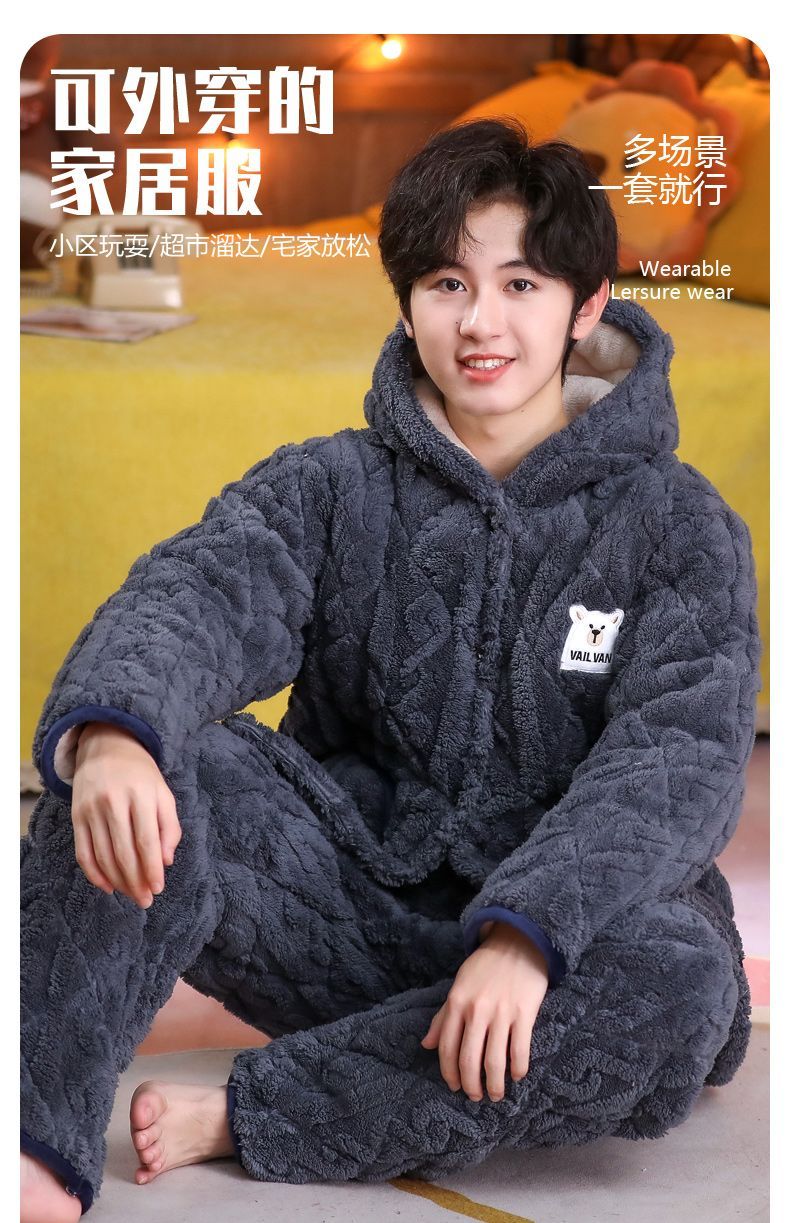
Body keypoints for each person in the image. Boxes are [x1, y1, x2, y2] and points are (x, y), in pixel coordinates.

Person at [21, 117, 761, 1222]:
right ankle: (33, 1141)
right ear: (408, 303)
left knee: (683, 982)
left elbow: (678, 755)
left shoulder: (679, 524)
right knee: (129, 754)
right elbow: (200, 591)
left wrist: (526, 932)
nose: (481, 322)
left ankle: (262, 1110)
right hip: (347, 915)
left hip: (562, 952)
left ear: (588, 304)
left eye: (520, 284)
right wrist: (118, 735)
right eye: (446, 284)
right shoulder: (330, 484)